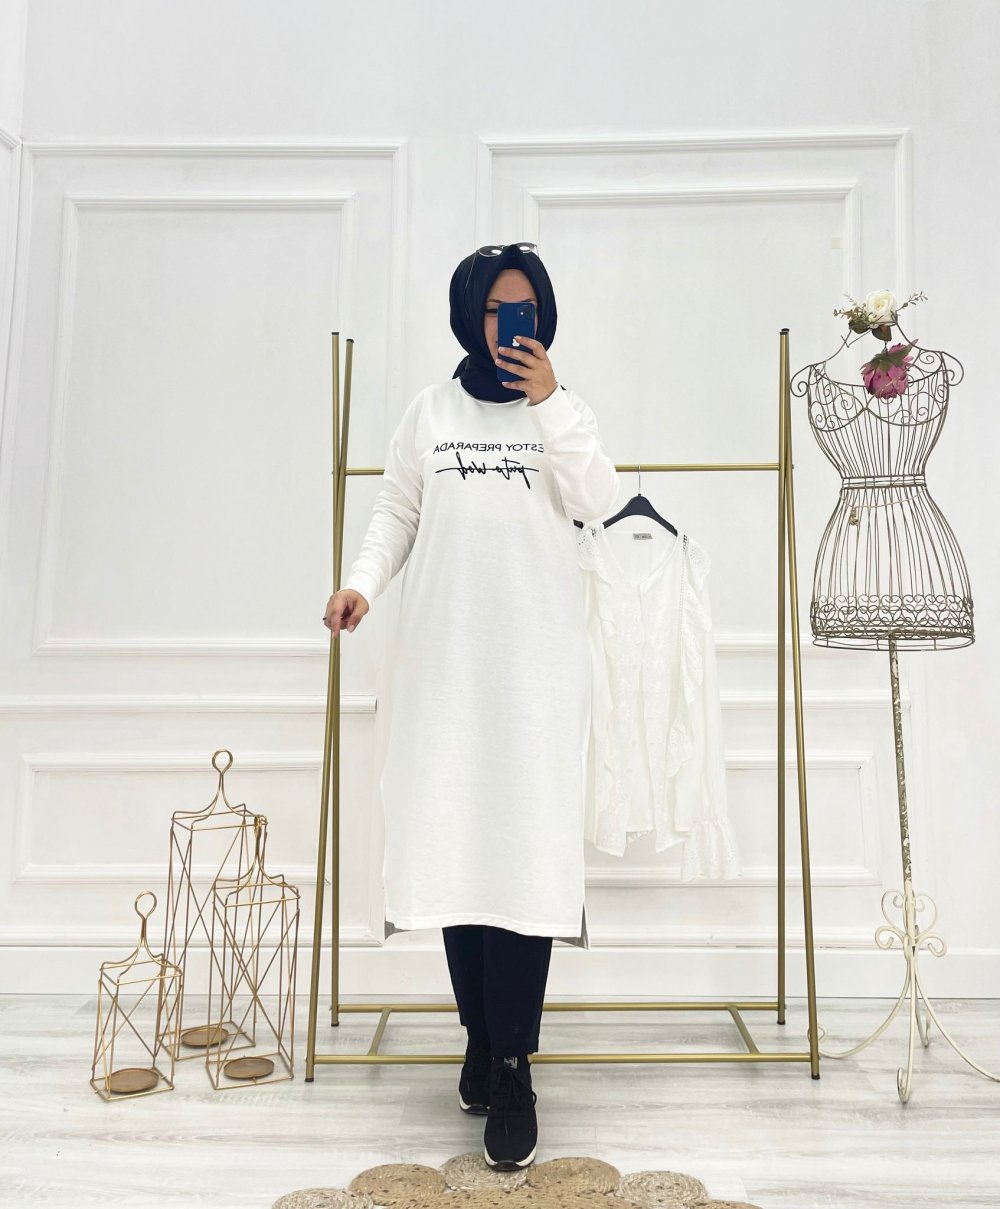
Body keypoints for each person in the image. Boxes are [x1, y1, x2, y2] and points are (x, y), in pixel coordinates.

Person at [322, 243, 618, 1170]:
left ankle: (516, 1064)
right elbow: (396, 514)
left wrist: (552, 403)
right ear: (467, 315)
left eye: (522, 309)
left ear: (544, 316)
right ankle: (480, 1039)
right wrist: (361, 583)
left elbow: (602, 501)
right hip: (445, 671)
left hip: (535, 678)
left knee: (524, 863)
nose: (507, 327)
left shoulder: (562, 412)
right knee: (458, 854)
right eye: (493, 310)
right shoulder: (430, 412)